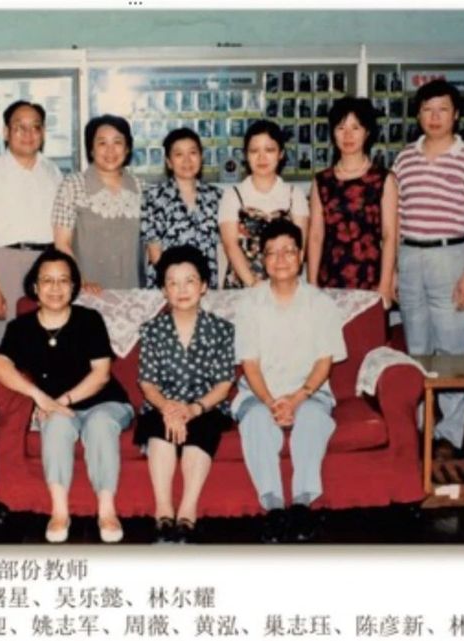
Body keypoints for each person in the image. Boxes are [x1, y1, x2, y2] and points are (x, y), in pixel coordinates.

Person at [0, 249, 134, 543]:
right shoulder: (21, 328)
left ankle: (106, 511)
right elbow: (0, 365)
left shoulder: (89, 319)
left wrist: (62, 401)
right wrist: (39, 397)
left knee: (99, 425)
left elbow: (101, 374)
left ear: (73, 286)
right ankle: (59, 512)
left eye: (63, 280)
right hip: (55, 407)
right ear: (35, 287)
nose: (55, 288)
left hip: (105, 401)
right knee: (55, 425)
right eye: (47, 280)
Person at [391, 79, 464, 454]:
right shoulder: (404, 158)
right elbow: (396, 218)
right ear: (418, 115)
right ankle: (421, 427)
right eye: (427, 110)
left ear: (456, 115)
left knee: (451, 349)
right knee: (416, 347)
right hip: (409, 256)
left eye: (443, 110)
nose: (435, 117)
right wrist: (394, 269)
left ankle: (451, 434)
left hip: (451, 257)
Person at [233, 218, 346, 543]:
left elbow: (324, 361)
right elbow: (250, 364)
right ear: (263, 260)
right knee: (256, 419)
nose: (281, 259)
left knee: (311, 417)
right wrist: (271, 403)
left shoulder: (320, 303)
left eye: (288, 251)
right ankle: (273, 508)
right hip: (259, 394)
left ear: (301, 256)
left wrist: (297, 399)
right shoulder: (249, 304)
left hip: (309, 393)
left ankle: (300, 505)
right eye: (272, 252)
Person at [135, 246, 234, 543]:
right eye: (173, 283)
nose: (181, 290)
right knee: (159, 429)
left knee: (202, 429)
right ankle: (163, 510)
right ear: (164, 290)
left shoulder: (222, 329)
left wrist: (193, 409)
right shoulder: (152, 329)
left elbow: (223, 385)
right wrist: (168, 408)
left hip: (205, 406)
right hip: (162, 405)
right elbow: (147, 383)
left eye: (189, 281)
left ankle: (188, 512)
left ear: (203, 286)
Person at [0, 100, 63, 349]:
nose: (28, 134)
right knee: (5, 343)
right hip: (4, 263)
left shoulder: (53, 172)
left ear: (43, 132)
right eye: (20, 127)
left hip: (46, 262)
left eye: (35, 127)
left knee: (46, 340)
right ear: (6, 132)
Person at [306, 96, 397, 308]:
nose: (348, 135)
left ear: (367, 132)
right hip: (330, 281)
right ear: (333, 133)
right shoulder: (321, 181)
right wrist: (311, 284)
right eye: (341, 128)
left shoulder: (383, 179)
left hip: (370, 279)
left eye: (355, 128)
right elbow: (316, 237)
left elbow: (389, 236)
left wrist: (385, 285)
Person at [52, 114, 142, 291]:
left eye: (117, 142)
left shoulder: (139, 186)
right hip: (88, 290)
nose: (110, 150)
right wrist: (81, 280)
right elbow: (62, 243)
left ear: (127, 148)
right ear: (91, 149)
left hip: (132, 288)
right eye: (102, 143)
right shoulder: (73, 185)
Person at [218, 120, 309, 289]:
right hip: (243, 286)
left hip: (285, 284)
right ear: (246, 155)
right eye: (254, 151)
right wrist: (253, 284)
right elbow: (230, 245)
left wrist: (282, 286)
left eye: (269, 150)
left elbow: (300, 248)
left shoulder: (294, 195)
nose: (262, 157)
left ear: (281, 154)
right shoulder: (232, 195)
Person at [141, 128, 222, 289]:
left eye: (193, 153)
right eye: (179, 154)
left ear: (201, 157)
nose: (187, 160)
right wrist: (178, 285)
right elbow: (155, 252)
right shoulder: (153, 198)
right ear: (169, 162)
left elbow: (222, 248)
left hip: (206, 287)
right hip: (169, 286)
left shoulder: (217, 197)